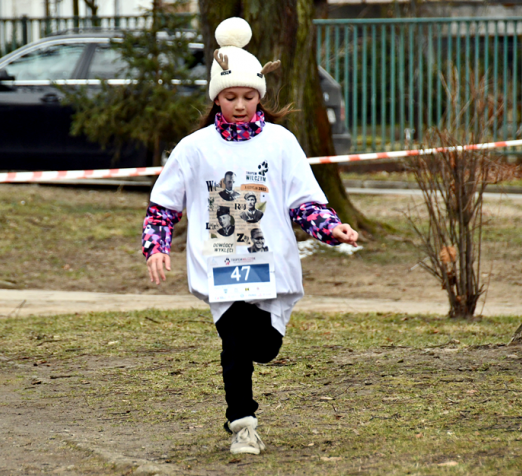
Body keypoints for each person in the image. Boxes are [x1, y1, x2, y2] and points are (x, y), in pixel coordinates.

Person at [141, 17, 358, 456]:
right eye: (230, 96)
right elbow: (164, 205)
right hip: (219, 265)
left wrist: (332, 229)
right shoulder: (194, 147)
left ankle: (248, 399)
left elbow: (304, 201)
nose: (239, 104)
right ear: (216, 97)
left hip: (270, 263)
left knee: (264, 348)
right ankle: (243, 424)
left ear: (259, 95)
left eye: (248, 95)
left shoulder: (280, 143)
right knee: (235, 345)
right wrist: (156, 247)